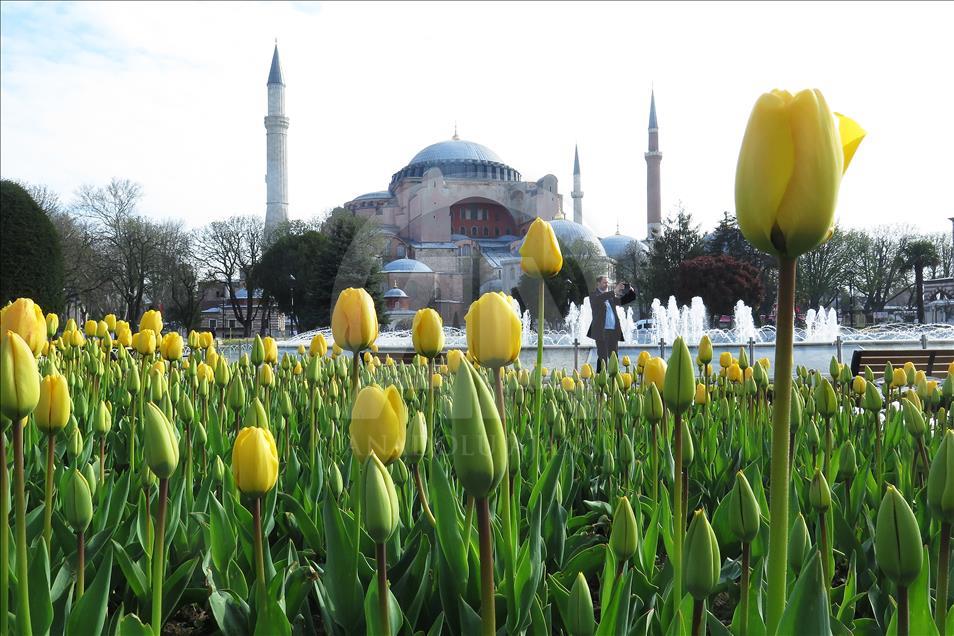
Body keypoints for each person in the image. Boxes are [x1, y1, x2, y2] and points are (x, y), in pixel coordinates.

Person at [587, 275, 636, 372]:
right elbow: (599, 299)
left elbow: (623, 301)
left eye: (607, 283)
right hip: (601, 331)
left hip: (613, 331)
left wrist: (631, 292)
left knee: (614, 357)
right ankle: (600, 381)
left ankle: (614, 380)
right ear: (598, 283)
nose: (606, 284)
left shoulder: (610, 297)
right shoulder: (594, 295)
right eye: (604, 282)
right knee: (602, 358)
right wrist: (614, 291)